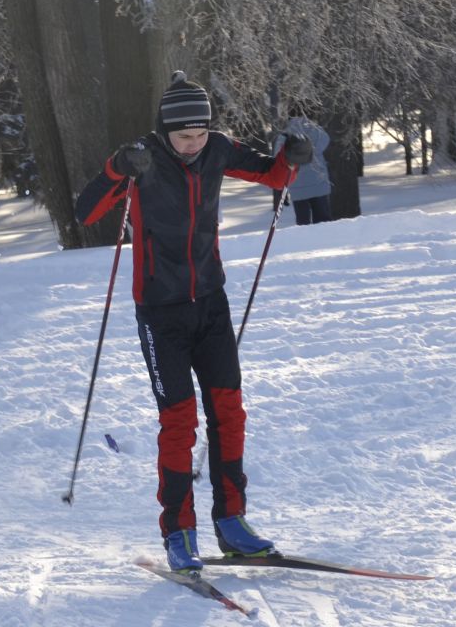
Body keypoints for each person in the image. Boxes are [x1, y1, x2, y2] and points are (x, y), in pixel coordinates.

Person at [75, 73, 316, 573]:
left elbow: (274, 176)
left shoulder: (218, 149)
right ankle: (179, 532)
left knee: (229, 412)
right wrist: (118, 168)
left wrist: (291, 155)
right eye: (183, 136)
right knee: (179, 420)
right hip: (160, 311)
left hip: (210, 301)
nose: (193, 145)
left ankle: (232, 523)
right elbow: (87, 210)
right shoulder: (143, 156)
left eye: (200, 134)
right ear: (165, 131)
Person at [283, 113, 332, 225]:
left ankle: (305, 241)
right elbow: (326, 140)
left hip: (297, 186)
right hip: (318, 183)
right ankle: (325, 241)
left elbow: (278, 155)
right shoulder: (316, 130)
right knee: (323, 221)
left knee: (303, 223)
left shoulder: (286, 134)